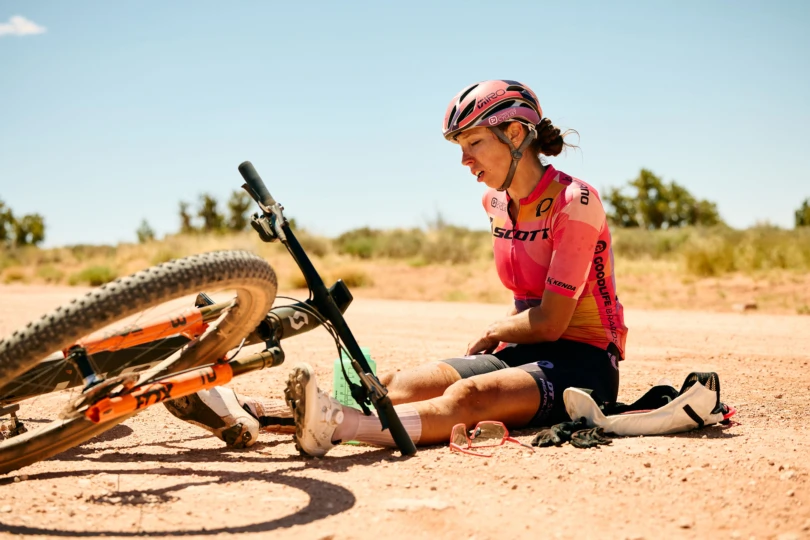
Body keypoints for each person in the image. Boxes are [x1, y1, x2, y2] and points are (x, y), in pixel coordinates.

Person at [166, 79, 629, 455]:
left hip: (585, 365)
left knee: (467, 398)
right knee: (393, 384)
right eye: (460, 146)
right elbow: (530, 306)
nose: (464, 159)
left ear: (513, 134)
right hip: (525, 351)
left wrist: (496, 329)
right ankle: (253, 411)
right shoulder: (495, 203)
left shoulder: (575, 201)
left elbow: (551, 321)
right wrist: (505, 335)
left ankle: (339, 427)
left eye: (473, 142)